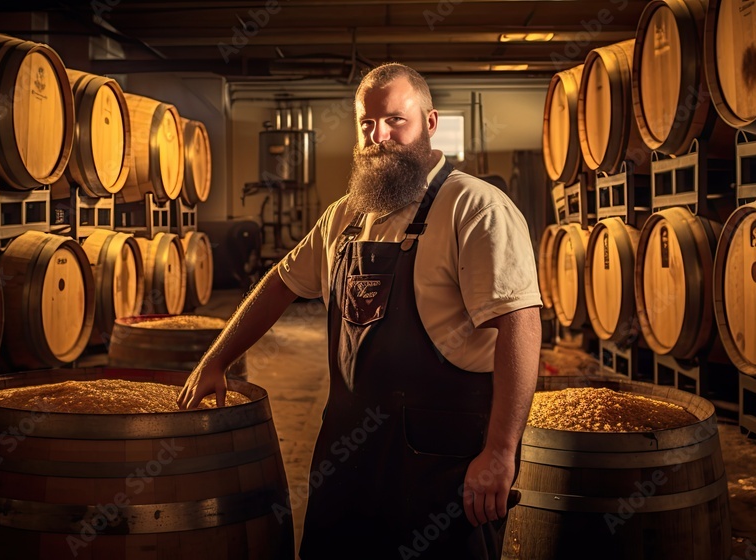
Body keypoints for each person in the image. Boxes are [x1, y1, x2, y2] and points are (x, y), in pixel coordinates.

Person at [178, 62, 542, 559]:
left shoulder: (474, 208)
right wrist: (215, 359)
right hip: (348, 450)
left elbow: (520, 322)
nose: (379, 136)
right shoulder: (347, 214)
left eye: (395, 121)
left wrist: (500, 453)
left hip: (442, 459)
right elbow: (279, 283)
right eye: (367, 123)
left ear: (430, 123)